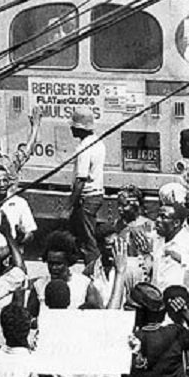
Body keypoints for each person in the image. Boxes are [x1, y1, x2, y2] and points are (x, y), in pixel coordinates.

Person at [69, 108, 107, 271]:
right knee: (86, 236)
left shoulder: (84, 147)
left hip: (87, 197)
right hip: (96, 194)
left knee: (88, 241)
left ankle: (93, 270)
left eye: (73, 126)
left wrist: (71, 203)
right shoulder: (98, 143)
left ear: (79, 128)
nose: (71, 129)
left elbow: (81, 179)